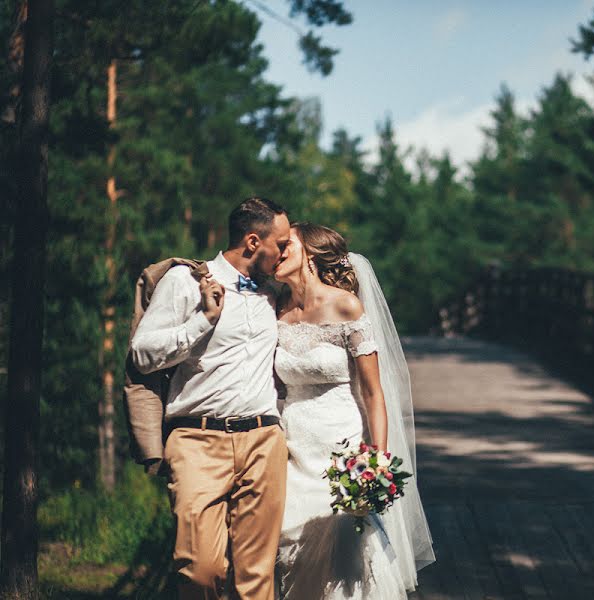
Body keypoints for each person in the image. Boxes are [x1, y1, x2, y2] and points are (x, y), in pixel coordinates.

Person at [130, 197, 292, 599]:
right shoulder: (186, 282)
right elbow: (142, 354)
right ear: (253, 242)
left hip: (263, 441)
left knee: (257, 578)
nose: (286, 252)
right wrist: (204, 321)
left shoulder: (274, 295)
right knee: (201, 569)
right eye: (281, 243)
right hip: (197, 441)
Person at [273, 222, 434, 599]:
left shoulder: (345, 305)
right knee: (288, 548)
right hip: (292, 447)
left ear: (309, 255)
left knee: (345, 557)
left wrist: (376, 460)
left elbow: (374, 392)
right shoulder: (275, 306)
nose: (277, 253)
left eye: (287, 246)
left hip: (341, 446)